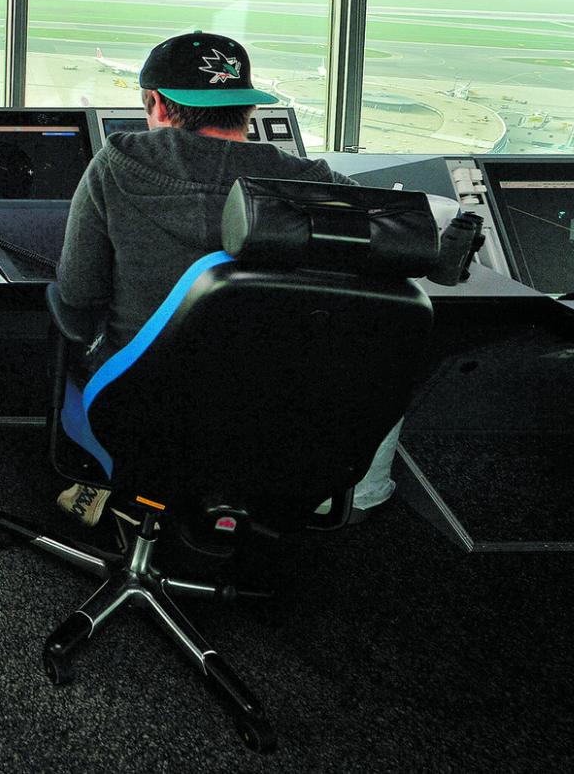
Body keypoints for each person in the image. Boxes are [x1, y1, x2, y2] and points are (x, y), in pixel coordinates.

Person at [53, 32, 396, 526]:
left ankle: (117, 485)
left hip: (143, 407)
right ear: (248, 109)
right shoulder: (314, 183)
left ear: (157, 104)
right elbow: (391, 236)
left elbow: (79, 292)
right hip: (276, 411)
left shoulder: (115, 165)